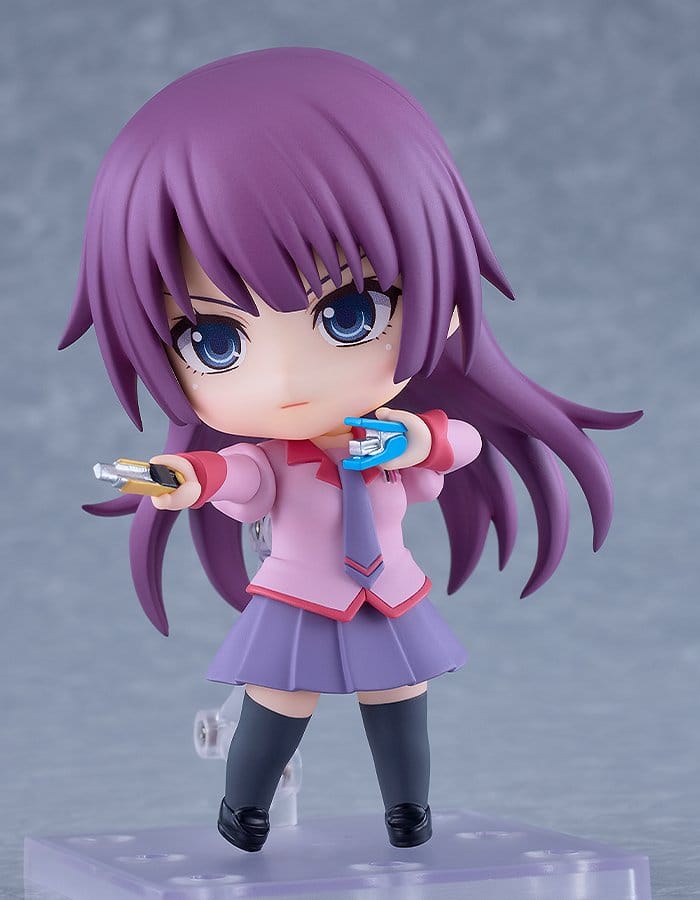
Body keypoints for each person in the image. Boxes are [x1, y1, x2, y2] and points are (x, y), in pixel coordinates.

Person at [60, 48, 641, 851]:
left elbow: (456, 444)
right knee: (280, 700)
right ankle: (245, 809)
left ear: (442, 301)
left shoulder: (393, 440)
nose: (288, 381)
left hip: (388, 590)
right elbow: (232, 474)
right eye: (215, 340)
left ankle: (409, 811)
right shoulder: (277, 461)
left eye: (349, 314)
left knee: (400, 697)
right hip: (299, 596)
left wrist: (413, 437)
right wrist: (179, 479)